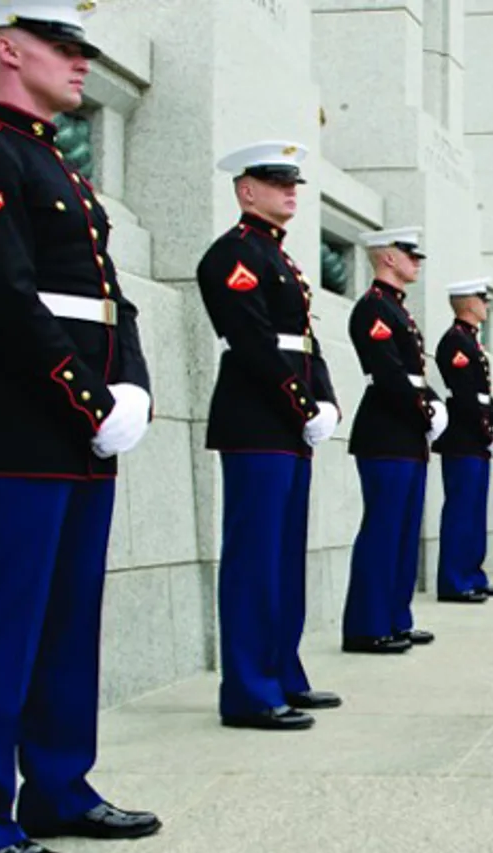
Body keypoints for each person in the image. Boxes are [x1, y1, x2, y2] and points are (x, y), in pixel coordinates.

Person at [0, 3, 161, 850]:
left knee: (68, 622)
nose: (81, 62)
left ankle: (59, 787)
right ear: (7, 48)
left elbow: (106, 295)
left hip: (81, 434)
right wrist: (90, 399)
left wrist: (131, 384)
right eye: (64, 46)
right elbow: (0, 298)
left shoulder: (63, 170)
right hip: (19, 427)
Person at [196, 141, 343, 731]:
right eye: (276, 181)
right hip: (258, 419)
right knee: (255, 557)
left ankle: (282, 670)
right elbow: (254, 342)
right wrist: (303, 403)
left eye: (294, 183)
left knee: (284, 555)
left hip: (289, 422)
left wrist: (326, 399)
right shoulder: (232, 256)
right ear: (244, 189)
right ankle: (249, 691)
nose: (290, 191)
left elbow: (304, 341)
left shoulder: (280, 259)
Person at [343, 226, 445, 653]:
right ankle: (367, 626)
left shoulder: (398, 310)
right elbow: (387, 374)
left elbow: (415, 375)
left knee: (403, 533)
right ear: (387, 257)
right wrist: (426, 409)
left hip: (406, 432)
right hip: (386, 430)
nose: (416, 261)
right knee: (383, 530)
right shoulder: (374, 309)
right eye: (409, 254)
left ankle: (395, 617)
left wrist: (435, 404)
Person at [432, 278, 493, 603]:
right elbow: (464, 394)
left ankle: (472, 574)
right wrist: (486, 429)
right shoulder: (455, 342)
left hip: (475, 437)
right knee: (461, 510)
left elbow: (482, 394)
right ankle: (454, 580)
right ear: (466, 303)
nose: (485, 305)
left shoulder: (471, 342)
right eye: (481, 299)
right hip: (464, 436)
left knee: (476, 510)